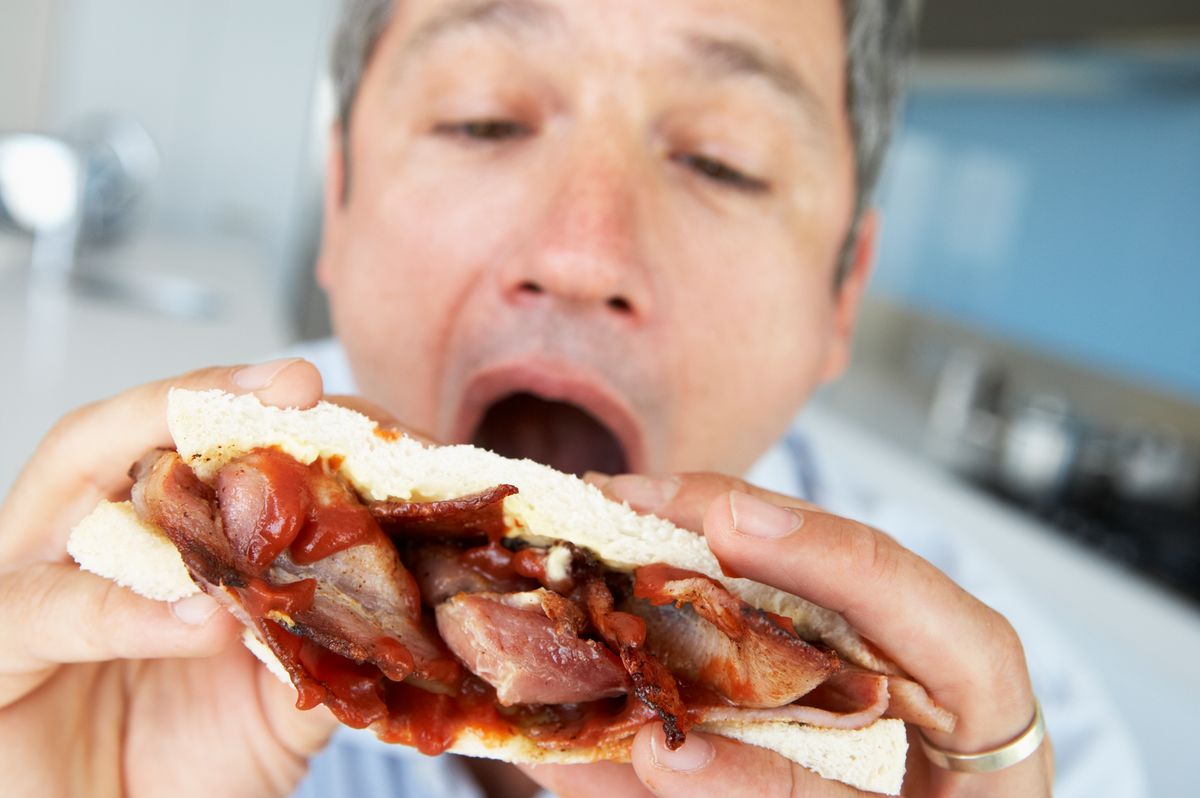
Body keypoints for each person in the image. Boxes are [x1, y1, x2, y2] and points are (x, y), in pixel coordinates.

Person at [0, 0, 1143, 796]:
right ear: (338, 199)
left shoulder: (1006, 749)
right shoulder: (92, 626)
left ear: (844, 293)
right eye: (484, 119)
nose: (583, 248)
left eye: (721, 161)